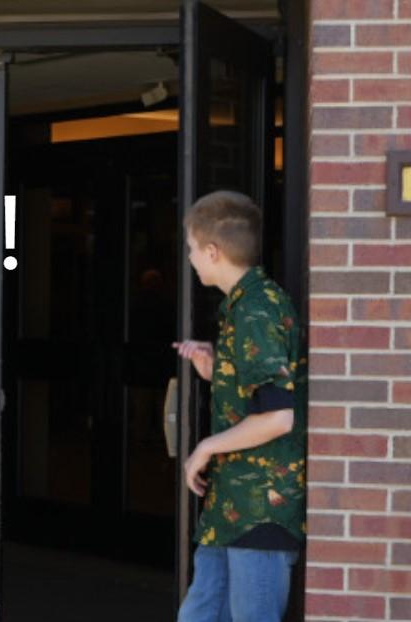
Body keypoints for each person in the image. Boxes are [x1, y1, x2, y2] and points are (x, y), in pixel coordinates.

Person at [172, 191, 307, 622]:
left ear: (212, 251)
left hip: (258, 514)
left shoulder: (256, 310)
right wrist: (213, 367)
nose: (190, 259)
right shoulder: (243, 307)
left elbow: (277, 416)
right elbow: (256, 391)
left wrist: (206, 447)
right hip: (230, 510)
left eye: (192, 249)